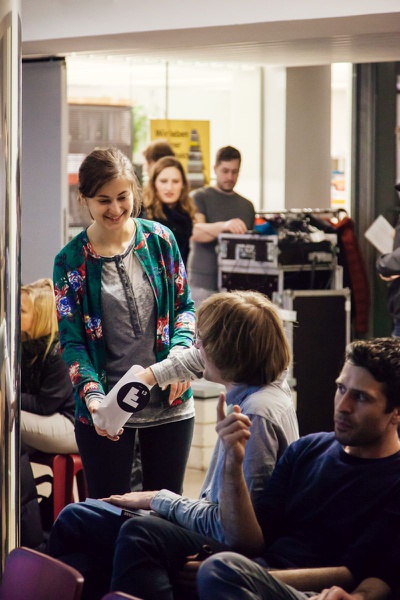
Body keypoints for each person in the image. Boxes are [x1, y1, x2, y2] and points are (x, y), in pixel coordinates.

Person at [47, 289, 299, 600]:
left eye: (202, 341)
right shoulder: (267, 387)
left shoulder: (255, 413)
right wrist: (148, 377)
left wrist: (158, 500)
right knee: (78, 517)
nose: (196, 347)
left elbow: (236, 528)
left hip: (218, 536)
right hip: (208, 520)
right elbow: (195, 359)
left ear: (228, 352)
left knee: (99, 526)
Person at [195, 338, 400, 600]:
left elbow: (355, 573)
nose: (343, 406)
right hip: (259, 574)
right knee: (148, 532)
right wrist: (232, 464)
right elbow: (254, 541)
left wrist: (249, 575)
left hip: (315, 593)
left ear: (396, 413)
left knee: (218, 571)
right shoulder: (305, 450)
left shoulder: (393, 479)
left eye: (361, 397)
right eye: (341, 388)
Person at [53, 146, 195, 499]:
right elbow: (72, 342)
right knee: (109, 512)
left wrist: (179, 359)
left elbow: (184, 307)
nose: (115, 209)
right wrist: (93, 396)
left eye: (122, 197)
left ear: (134, 192)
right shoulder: (70, 261)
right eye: (103, 200)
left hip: (170, 405)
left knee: (165, 512)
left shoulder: (160, 240)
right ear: (84, 199)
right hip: (106, 411)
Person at [187, 145, 255, 304]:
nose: (230, 177)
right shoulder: (199, 197)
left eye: (234, 172)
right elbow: (197, 232)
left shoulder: (247, 206)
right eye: (225, 171)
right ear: (215, 168)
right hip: (203, 283)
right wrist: (225, 226)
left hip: (237, 286)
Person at [20, 278, 77, 454]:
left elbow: (45, 405)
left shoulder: (60, 353)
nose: (13, 314)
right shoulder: (29, 345)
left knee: (3, 418)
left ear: (40, 316)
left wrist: (6, 397)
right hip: (48, 416)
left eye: (21, 311)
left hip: (71, 424)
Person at [143, 156, 197, 265]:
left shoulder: (187, 214)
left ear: (183, 185)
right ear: (154, 184)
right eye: (163, 181)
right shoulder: (144, 215)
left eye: (175, 181)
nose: (169, 188)